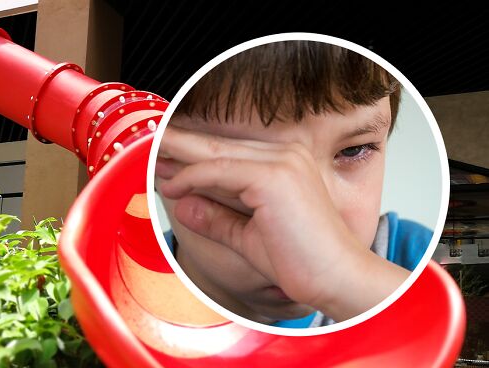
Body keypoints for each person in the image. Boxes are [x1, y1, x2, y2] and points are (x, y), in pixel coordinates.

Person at [154, 40, 433, 328]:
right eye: (241, 164)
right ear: (147, 166)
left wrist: (350, 278)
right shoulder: (114, 284)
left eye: (353, 150)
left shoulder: (417, 262)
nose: (308, 218)